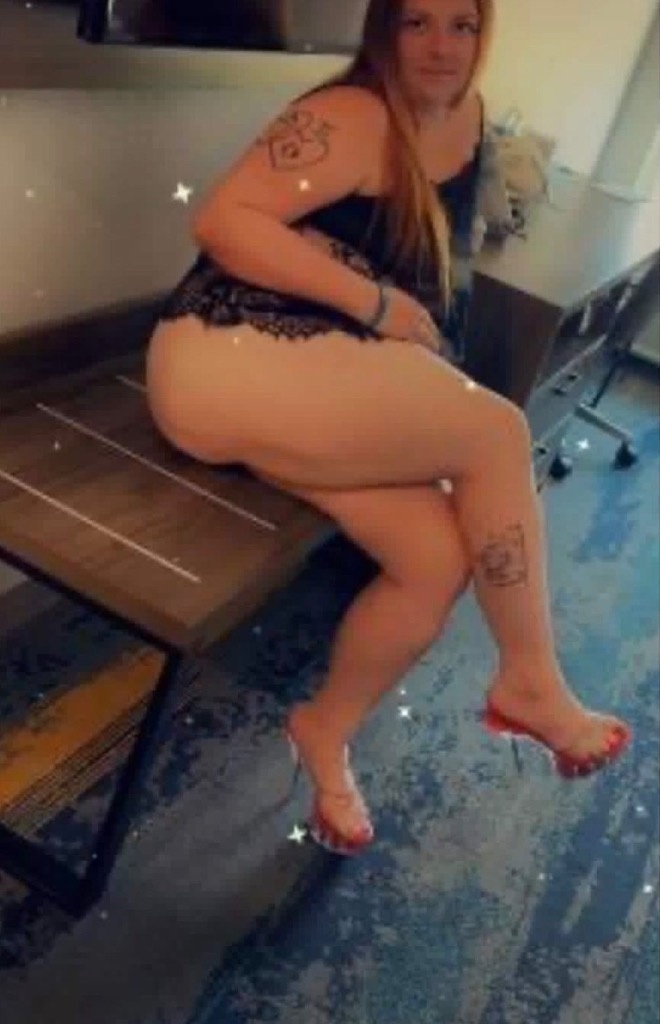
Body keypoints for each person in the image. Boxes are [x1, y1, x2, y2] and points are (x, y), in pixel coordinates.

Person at [145, 0, 631, 855]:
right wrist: (373, 305)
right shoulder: (353, 113)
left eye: (462, 25)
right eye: (417, 24)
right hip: (220, 355)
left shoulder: (467, 120)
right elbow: (221, 221)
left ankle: (325, 729)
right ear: (383, 30)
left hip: (313, 379)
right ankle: (530, 679)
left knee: (435, 559)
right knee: (496, 433)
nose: (441, 47)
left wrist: (421, 366)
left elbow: (441, 273)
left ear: (484, 34)